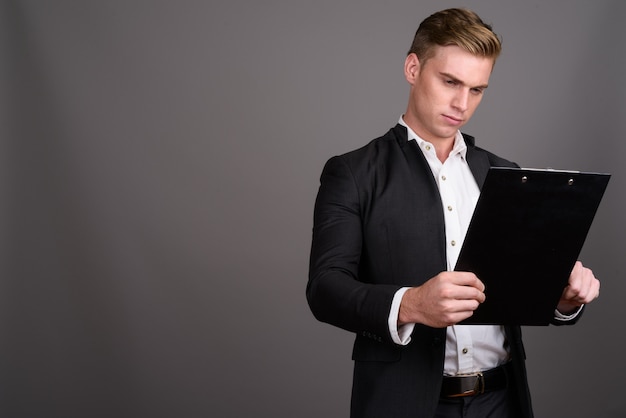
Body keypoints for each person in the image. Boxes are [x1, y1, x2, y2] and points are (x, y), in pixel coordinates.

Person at [306, 8, 600, 418]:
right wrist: (411, 304)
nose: (462, 103)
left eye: (477, 90)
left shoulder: (505, 175)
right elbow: (324, 289)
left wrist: (563, 300)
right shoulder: (353, 173)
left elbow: (521, 293)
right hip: (403, 404)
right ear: (413, 68)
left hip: (503, 401)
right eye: (450, 82)